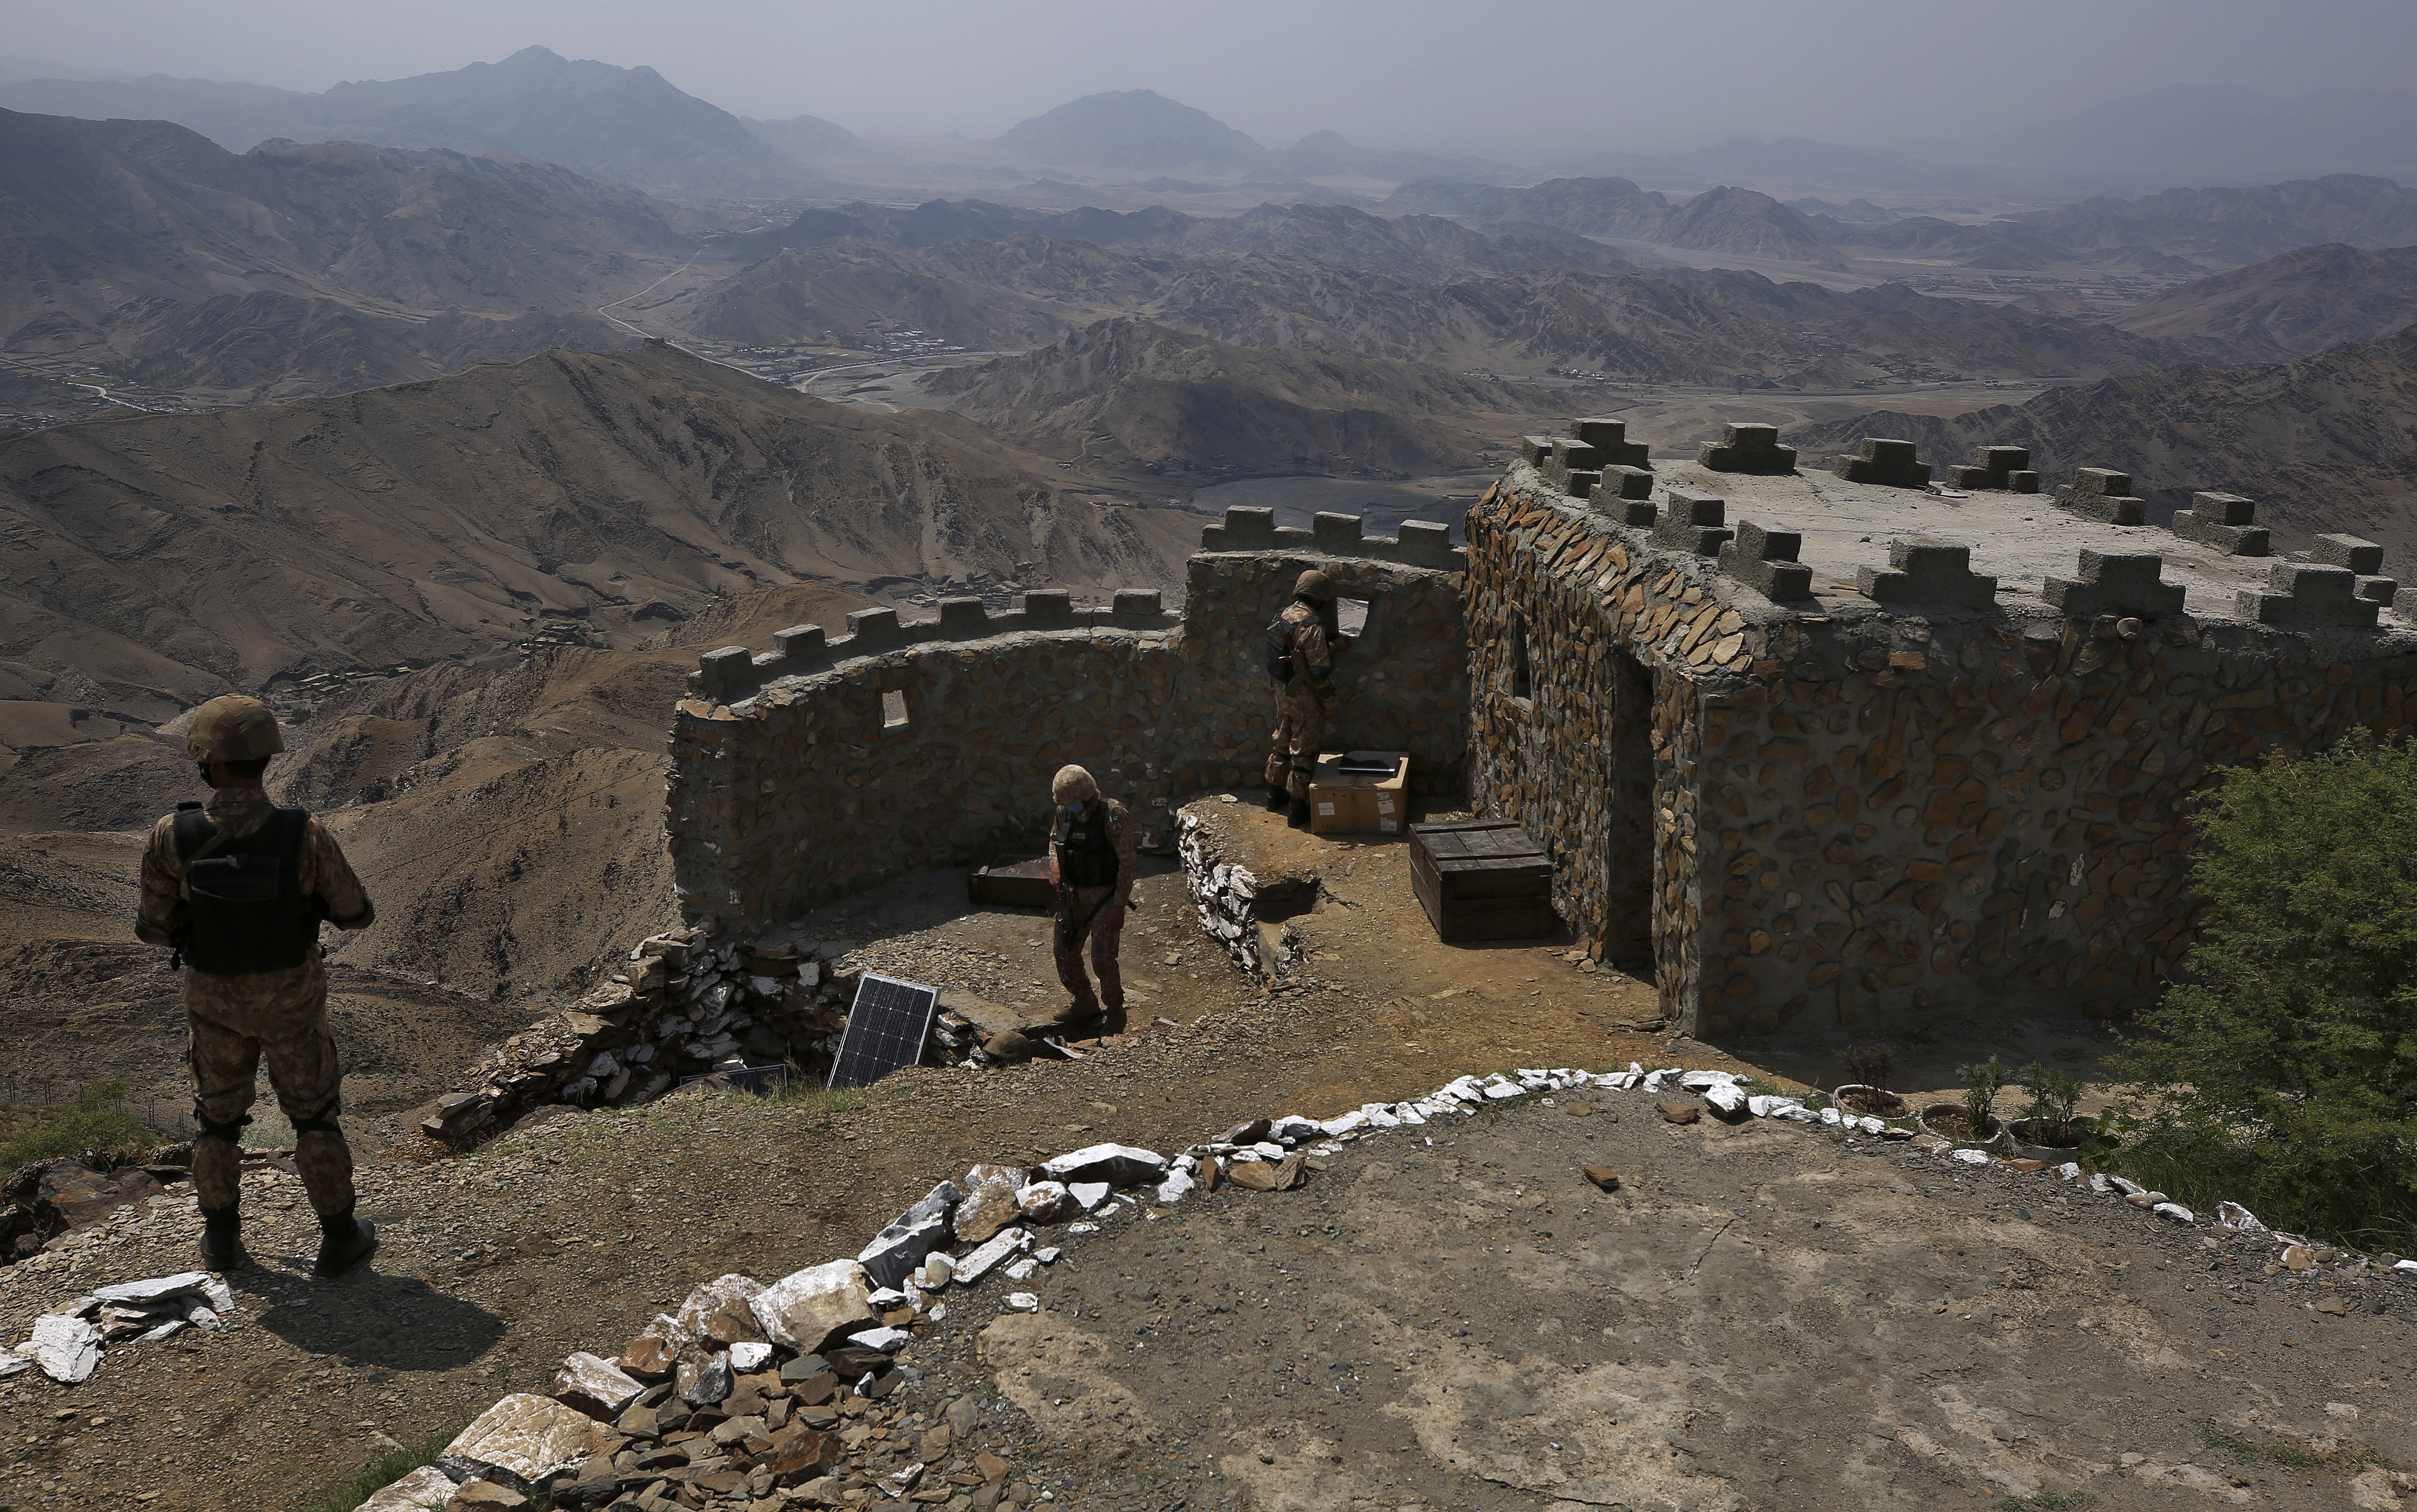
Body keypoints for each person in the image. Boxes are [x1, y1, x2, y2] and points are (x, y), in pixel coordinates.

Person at [136, 694, 380, 1277]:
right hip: (292, 1001)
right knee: (314, 1116)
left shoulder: (174, 835)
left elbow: (155, 928)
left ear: (207, 762)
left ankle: (221, 1242)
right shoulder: (305, 833)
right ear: (264, 759)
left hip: (214, 1002)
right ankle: (340, 1238)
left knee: (217, 1121)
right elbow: (356, 913)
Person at [1042, 764, 1137, 1038]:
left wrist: (1119, 905)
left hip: (1106, 897)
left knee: (1102, 958)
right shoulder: (1065, 810)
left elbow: (1127, 863)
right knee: (1065, 951)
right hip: (1075, 896)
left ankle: (1116, 1012)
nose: (1067, 808)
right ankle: (1084, 1001)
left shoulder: (1113, 815)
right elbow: (1054, 838)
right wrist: (1056, 867)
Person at [1263, 569, 1352, 828]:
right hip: (1304, 697)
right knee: (1303, 752)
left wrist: (1330, 645)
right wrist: (1331, 706)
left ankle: (1273, 796)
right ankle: (1296, 809)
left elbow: (1298, 653)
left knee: (1281, 743)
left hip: (1283, 692)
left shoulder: (1284, 615)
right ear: (1319, 599)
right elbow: (1319, 671)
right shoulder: (1312, 624)